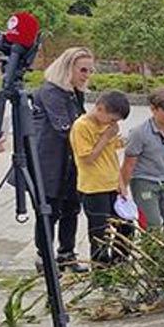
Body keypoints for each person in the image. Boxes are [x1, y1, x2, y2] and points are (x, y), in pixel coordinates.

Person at [32, 46, 94, 272]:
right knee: (49, 210)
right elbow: (64, 127)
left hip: (70, 161)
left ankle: (66, 253)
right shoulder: (50, 91)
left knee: (71, 208)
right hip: (49, 161)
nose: (86, 75)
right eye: (83, 70)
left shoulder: (74, 92)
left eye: (89, 70)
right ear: (68, 68)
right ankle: (43, 256)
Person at [70, 91, 131, 264]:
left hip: (112, 185)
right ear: (100, 108)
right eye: (112, 119)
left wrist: (122, 185)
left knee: (126, 227)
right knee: (100, 234)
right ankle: (100, 270)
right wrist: (105, 137)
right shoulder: (81, 126)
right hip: (93, 188)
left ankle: (119, 264)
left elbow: (111, 156)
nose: (114, 124)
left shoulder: (108, 127)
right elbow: (87, 158)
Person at [122, 88, 164, 232]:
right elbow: (129, 162)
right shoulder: (139, 132)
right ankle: (152, 253)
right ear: (154, 109)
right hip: (143, 179)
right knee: (152, 223)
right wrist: (123, 185)